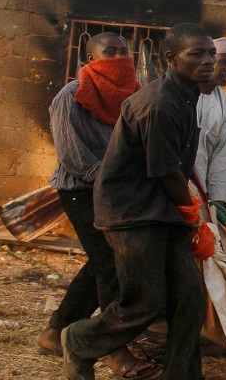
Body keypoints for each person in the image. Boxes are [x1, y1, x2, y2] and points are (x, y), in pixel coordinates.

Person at [60, 23, 215, 380]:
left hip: (160, 208)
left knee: (190, 297)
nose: (208, 61)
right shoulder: (159, 103)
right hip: (132, 212)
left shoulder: (185, 96)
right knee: (144, 302)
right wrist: (194, 217)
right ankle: (79, 339)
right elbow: (165, 170)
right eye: (198, 54)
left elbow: (178, 166)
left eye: (211, 54)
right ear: (171, 59)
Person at [36, 31, 161, 379]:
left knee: (104, 260)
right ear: (91, 59)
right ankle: (110, 347)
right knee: (110, 263)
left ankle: (54, 332)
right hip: (82, 190)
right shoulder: (71, 95)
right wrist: (114, 179)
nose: (119, 58)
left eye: (124, 51)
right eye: (110, 52)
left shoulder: (134, 95)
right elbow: (73, 156)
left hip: (118, 192)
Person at [195, 37, 226, 228]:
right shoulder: (182, 93)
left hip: (201, 191)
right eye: (224, 62)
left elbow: (223, 156)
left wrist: (219, 202)